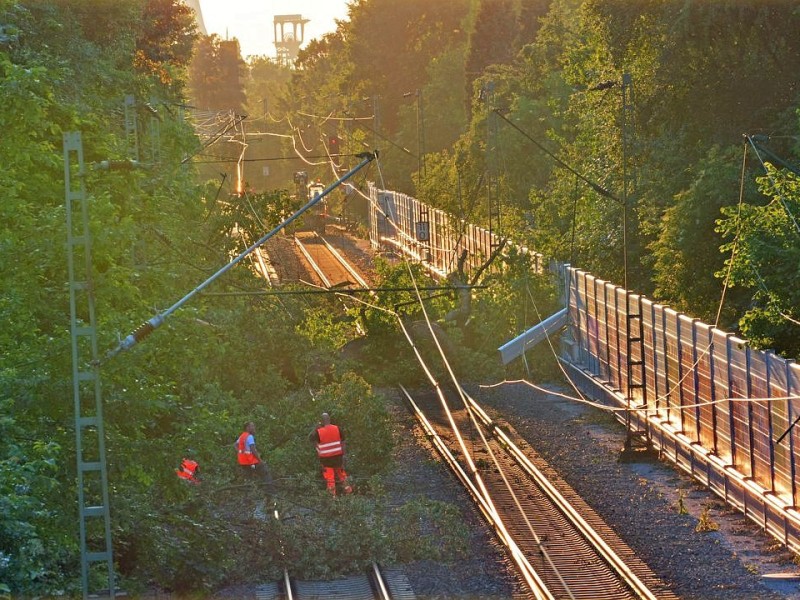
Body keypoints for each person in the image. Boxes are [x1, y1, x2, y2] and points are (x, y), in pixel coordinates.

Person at [309, 412, 352, 495]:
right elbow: (343, 442)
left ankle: (332, 497)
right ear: (329, 419)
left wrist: (315, 428)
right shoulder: (337, 428)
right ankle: (349, 493)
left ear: (321, 421)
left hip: (326, 460)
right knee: (342, 476)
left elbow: (310, 438)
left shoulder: (319, 432)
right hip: (338, 458)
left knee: (330, 479)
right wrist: (344, 455)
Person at [236, 421, 274, 493]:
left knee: (248, 478)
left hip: (243, 463)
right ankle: (270, 491)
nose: (254, 428)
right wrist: (260, 460)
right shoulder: (250, 437)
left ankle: (247, 495)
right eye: (252, 426)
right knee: (265, 472)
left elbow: (235, 445)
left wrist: (240, 452)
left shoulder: (242, 436)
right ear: (247, 428)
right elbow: (253, 450)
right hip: (251, 462)